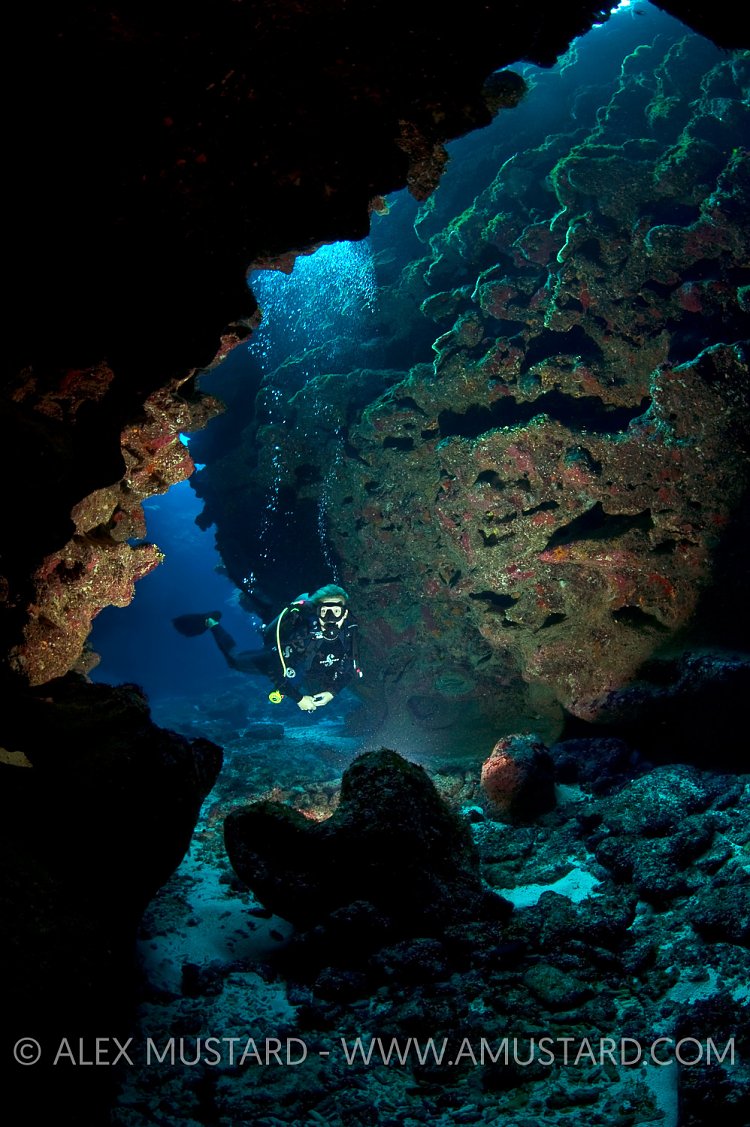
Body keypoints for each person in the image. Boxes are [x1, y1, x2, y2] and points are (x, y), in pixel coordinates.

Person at [173, 584, 362, 712]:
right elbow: (276, 672)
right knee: (234, 660)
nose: (330, 618)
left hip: (305, 669)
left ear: (344, 615)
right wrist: (298, 699)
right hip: (275, 657)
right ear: (317, 613)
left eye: (336, 612)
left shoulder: (347, 635)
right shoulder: (303, 636)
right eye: (325, 611)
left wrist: (331, 693)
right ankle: (211, 621)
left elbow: (350, 670)